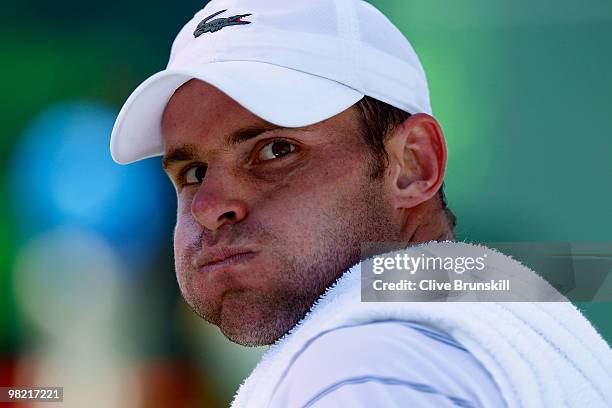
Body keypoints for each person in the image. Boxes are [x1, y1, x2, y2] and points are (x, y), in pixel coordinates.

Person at [110, 1, 612, 407]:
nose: (210, 206)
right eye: (192, 173)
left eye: (275, 150)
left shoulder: (361, 365)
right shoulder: (516, 326)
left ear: (413, 165)